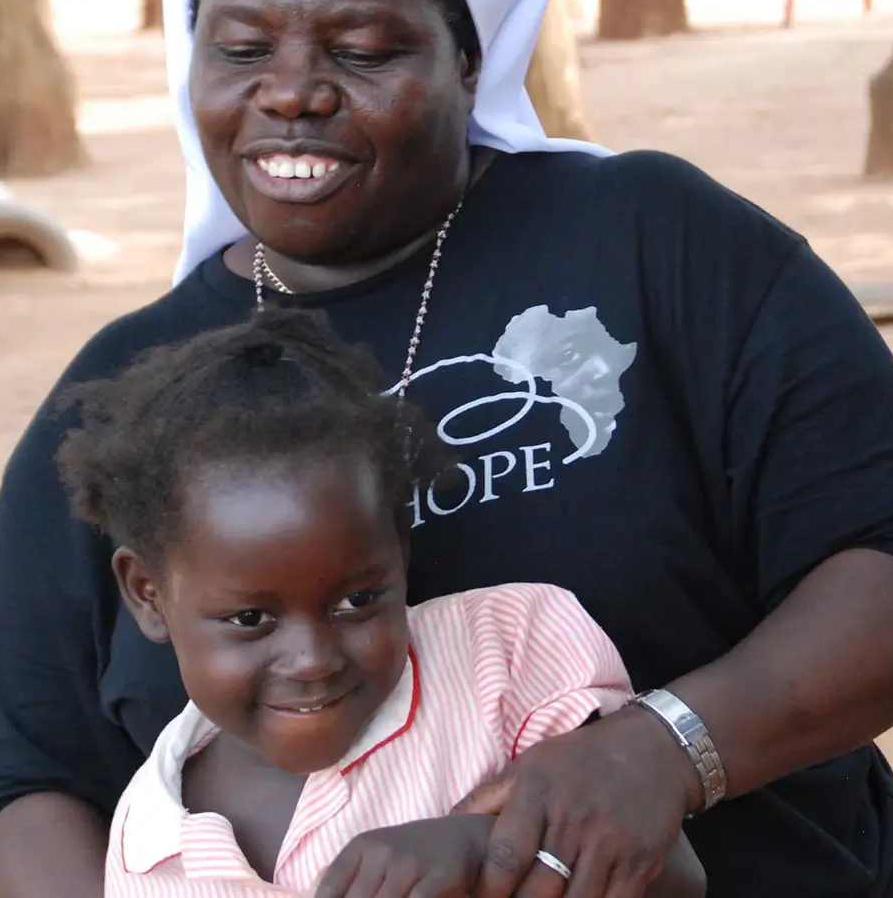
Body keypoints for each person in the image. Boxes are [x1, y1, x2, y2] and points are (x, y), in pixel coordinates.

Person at [0, 0, 893, 898]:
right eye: (240, 48)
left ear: (469, 54)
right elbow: (32, 777)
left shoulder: (656, 241)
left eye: (361, 50)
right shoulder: (123, 399)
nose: (292, 91)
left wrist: (662, 749)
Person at [55, 308, 706, 898]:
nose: (312, 659)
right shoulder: (150, 847)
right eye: (251, 619)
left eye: (357, 600)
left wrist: (487, 852)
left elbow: (678, 876)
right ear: (148, 595)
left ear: (399, 547)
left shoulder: (503, 657)